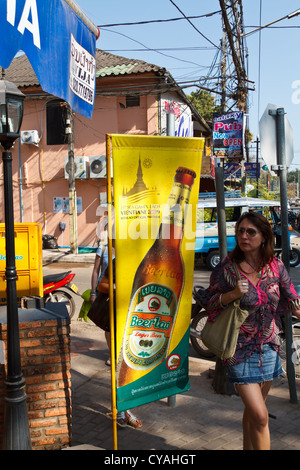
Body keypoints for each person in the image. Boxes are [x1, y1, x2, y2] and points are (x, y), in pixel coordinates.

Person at [199, 211, 300, 450]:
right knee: (262, 416)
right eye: (240, 231)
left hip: (269, 346)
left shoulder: (276, 266)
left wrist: (297, 310)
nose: (244, 236)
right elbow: (209, 301)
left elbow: (291, 297)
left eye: (250, 232)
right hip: (238, 349)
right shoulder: (227, 268)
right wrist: (233, 294)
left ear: (264, 237)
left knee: (255, 413)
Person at [90, 243, 142, 429]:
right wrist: (118, 286)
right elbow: (102, 284)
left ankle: (125, 409)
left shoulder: (144, 262)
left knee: (131, 368)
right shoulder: (117, 262)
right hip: (116, 322)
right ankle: (122, 411)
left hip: (137, 323)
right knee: (118, 367)